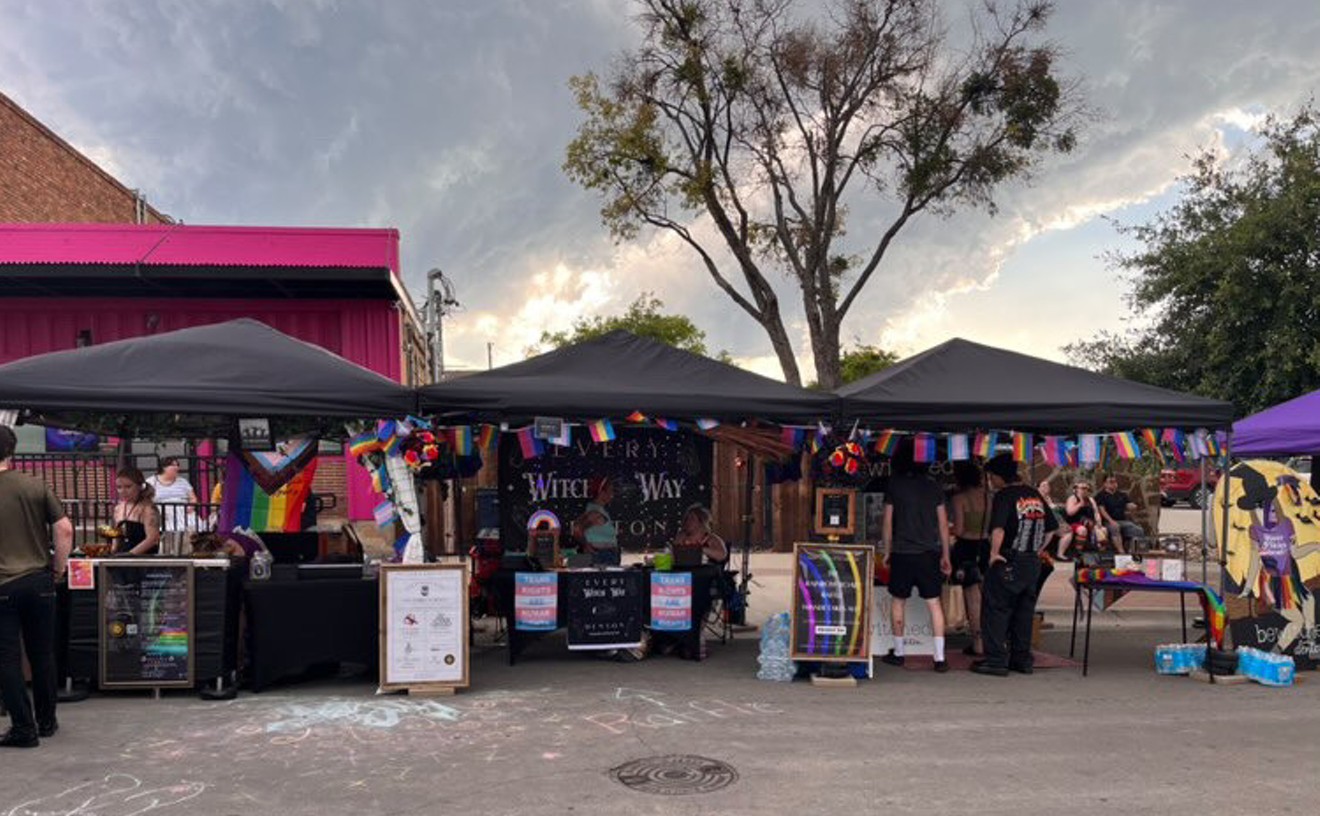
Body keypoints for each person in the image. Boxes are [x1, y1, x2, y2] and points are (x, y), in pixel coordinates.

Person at [0, 425, 73, 748]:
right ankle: (47, 720)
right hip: (40, 580)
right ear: (12, 450)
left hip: (3, 584)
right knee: (43, 653)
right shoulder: (34, 485)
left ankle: (22, 727)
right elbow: (65, 529)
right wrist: (57, 567)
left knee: (7, 658)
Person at [971, 453, 1059, 677]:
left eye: (992, 476)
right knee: (1023, 612)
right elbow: (1052, 528)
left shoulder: (1004, 496)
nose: (990, 481)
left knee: (996, 610)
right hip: (1031, 562)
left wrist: (993, 554)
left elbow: (998, 528)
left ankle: (996, 660)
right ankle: (1022, 659)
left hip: (1008, 559)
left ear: (1000, 476)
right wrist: (1038, 548)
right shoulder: (1034, 494)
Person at [881, 440, 953, 672]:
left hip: (902, 552)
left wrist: (887, 550)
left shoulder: (895, 485)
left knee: (898, 601)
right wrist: (946, 554)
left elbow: (887, 521)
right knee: (934, 603)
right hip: (929, 553)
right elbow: (943, 524)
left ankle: (899, 653)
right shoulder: (934, 487)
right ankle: (940, 658)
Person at [950, 462, 990, 657]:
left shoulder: (960, 499)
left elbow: (958, 530)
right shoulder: (989, 497)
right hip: (986, 546)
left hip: (966, 548)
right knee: (988, 596)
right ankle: (994, 638)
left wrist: (947, 529)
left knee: (972, 599)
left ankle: (978, 642)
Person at [110, 468, 160, 556]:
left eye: (128, 487)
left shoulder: (148, 508)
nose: (123, 491)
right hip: (120, 556)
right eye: (119, 487)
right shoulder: (118, 508)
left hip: (142, 558)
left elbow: (153, 539)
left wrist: (130, 554)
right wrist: (112, 551)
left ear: (140, 486)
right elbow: (116, 536)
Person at [573, 477, 619, 566]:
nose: (612, 494)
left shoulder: (596, 510)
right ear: (601, 493)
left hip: (605, 555)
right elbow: (577, 529)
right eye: (610, 491)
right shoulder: (595, 513)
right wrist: (586, 545)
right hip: (602, 556)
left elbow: (577, 528)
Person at [147, 457, 197, 534]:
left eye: (177, 465)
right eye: (173, 465)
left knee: (192, 526)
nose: (176, 467)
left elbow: (193, 498)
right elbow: (146, 499)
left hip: (182, 510)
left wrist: (191, 506)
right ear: (164, 468)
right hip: (162, 511)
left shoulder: (183, 481)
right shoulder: (151, 481)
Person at [1096, 475, 1144, 553]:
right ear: (1105, 484)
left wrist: (1132, 507)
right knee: (1115, 528)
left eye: (1115, 482)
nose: (1113, 484)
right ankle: (1121, 552)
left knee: (1138, 530)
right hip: (1107, 522)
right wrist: (1111, 521)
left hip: (1122, 521)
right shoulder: (1101, 495)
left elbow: (1128, 505)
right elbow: (1102, 510)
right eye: (1111, 482)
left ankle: (1133, 551)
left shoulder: (1122, 495)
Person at [1063, 479, 1110, 553]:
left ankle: (1101, 552)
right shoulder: (1072, 498)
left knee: (1103, 530)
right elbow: (1069, 512)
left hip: (1090, 522)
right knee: (1082, 530)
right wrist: (1079, 504)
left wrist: (1099, 522)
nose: (1085, 491)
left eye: (1087, 489)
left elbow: (1096, 512)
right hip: (1074, 522)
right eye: (1082, 488)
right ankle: (1078, 552)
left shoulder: (1090, 500)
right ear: (1077, 489)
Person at [1038, 480, 1072, 560]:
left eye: (1048, 486)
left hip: (1056, 522)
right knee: (1051, 529)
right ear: (1038, 488)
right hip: (1043, 522)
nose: (1046, 487)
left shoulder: (1049, 498)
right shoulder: (1037, 497)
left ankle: (1060, 554)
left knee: (1068, 532)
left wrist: (1057, 506)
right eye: (1043, 485)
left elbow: (1056, 511)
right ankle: (1039, 551)